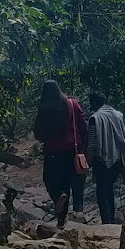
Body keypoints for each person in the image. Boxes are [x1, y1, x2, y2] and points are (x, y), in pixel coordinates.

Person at [32, 80, 87, 227]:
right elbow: (83, 126)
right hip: (72, 150)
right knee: (72, 182)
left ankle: (60, 213)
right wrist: (84, 148)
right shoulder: (72, 104)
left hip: (53, 152)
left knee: (52, 181)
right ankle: (77, 214)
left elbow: (38, 133)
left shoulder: (45, 109)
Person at [86, 92, 125, 224]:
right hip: (117, 160)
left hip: (102, 161)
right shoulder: (118, 115)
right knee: (110, 190)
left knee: (102, 193)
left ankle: (107, 222)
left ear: (95, 103)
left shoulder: (95, 118)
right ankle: (111, 219)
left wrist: (88, 161)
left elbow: (92, 144)